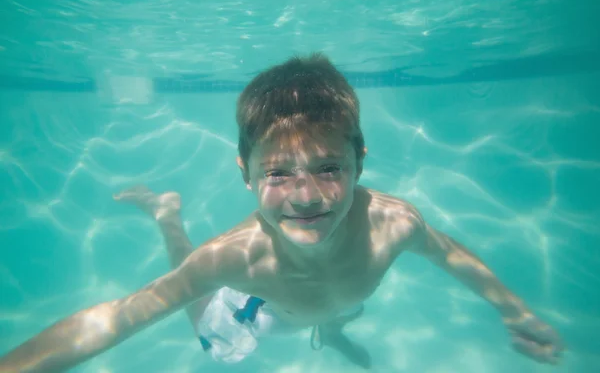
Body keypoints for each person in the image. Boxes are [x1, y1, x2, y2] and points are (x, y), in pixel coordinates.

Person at [0, 54, 564, 372]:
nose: (307, 196)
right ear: (244, 172)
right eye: (277, 173)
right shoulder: (233, 261)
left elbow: (453, 256)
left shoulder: (396, 225)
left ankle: (332, 329)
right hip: (261, 311)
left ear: (359, 162)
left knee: (338, 306)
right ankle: (167, 215)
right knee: (214, 333)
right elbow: (123, 315)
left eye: (328, 168)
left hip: (333, 298)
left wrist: (513, 311)